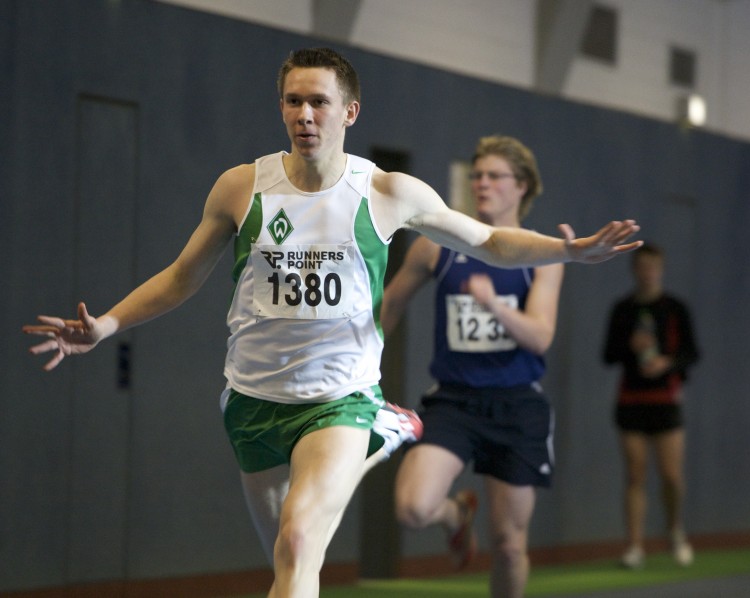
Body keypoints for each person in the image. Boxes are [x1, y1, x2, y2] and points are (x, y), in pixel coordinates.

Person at [24, 47, 641, 598]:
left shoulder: (386, 192)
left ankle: (374, 425)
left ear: (349, 111)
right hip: (253, 399)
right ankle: (387, 432)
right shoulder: (241, 188)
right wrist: (107, 325)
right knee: (286, 561)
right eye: (292, 101)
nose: (304, 115)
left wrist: (568, 251)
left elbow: (487, 240)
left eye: (319, 101)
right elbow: (183, 276)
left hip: (339, 397)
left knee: (298, 542)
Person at [381, 135, 565, 598]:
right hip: (454, 401)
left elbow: (540, 336)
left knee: (508, 546)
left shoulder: (543, 253)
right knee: (412, 508)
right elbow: (389, 306)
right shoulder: (437, 246)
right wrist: (357, 366)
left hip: (517, 406)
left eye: (494, 176)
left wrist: (494, 306)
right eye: (476, 175)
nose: (482, 183)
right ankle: (456, 514)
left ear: (521, 186)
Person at [602, 243, 699, 569]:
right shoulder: (622, 309)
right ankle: (634, 546)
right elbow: (608, 355)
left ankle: (675, 531)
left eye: (653, 267)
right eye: (642, 267)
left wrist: (666, 364)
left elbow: (692, 353)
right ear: (634, 270)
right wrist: (630, 347)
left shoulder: (675, 308)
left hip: (665, 400)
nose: (648, 274)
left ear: (661, 270)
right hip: (631, 401)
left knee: (671, 475)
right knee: (635, 474)